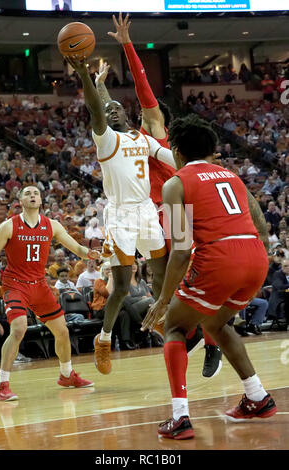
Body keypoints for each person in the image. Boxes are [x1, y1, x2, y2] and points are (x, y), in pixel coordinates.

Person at [141, 115, 277, 439]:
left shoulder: (176, 182)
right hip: (256, 257)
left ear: (175, 149)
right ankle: (257, 396)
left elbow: (181, 249)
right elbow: (259, 223)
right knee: (216, 323)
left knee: (175, 325)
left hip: (220, 257)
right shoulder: (232, 177)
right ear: (212, 149)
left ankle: (180, 418)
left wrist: (163, 299)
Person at [102, 13, 221, 376]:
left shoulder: (155, 132)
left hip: (178, 210)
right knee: (159, 282)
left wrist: (126, 45)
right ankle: (184, 335)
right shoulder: (130, 141)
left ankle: (212, 340)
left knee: (193, 278)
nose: (138, 119)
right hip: (153, 215)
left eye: (143, 116)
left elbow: (143, 90)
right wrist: (99, 86)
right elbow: (108, 116)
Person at [67, 52, 175, 376]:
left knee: (161, 271)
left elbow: (169, 155)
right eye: (107, 109)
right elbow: (96, 107)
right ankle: (104, 338)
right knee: (124, 285)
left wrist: (200, 164)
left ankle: (160, 318)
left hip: (146, 211)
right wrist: (86, 75)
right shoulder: (105, 138)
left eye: (116, 107)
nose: (110, 110)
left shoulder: (141, 137)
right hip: (120, 217)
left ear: (126, 114)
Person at [0, 185, 99, 401]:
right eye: (27, 193)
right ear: (20, 200)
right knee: (19, 328)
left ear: (41, 200)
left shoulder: (53, 225)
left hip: (39, 285)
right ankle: (2, 385)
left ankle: (66, 375)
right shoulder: (8, 225)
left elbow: (76, 249)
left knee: (63, 331)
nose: (32, 195)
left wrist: (91, 253)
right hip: (15, 284)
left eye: (35, 193)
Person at [268, 258, 289, 323]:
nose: (288, 268)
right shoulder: (277, 274)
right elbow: (280, 287)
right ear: (281, 267)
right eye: (285, 266)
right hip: (279, 299)